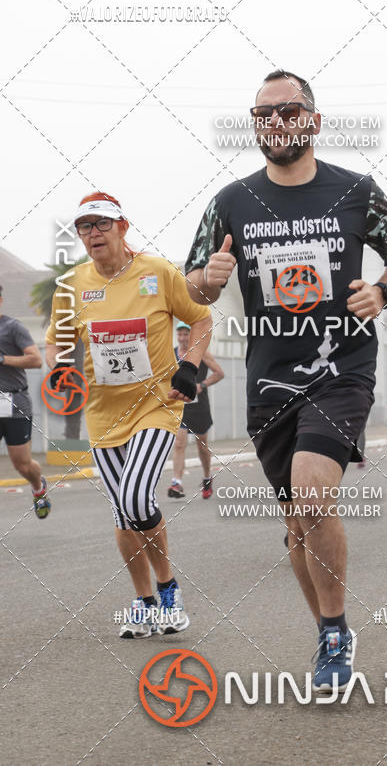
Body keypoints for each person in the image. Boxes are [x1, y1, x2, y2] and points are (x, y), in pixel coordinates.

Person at [184, 69, 387, 691]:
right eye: (262, 115)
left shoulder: (355, 191)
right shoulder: (231, 201)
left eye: (287, 111)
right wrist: (208, 279)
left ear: (312, 120)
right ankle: (328, 635)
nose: (274, 123)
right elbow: (192, 283)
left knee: (314, 496)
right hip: (270, 377)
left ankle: (337, 629)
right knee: (296, 522)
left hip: (342, 365)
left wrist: (382, 289)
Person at [45, 192, 212, 638]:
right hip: (103, 416)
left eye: (102, 224)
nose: (93, 233)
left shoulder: (157, 272)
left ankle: (169, 590)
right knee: (123, 513)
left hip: (157, 405)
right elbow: (55, 343)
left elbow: (201, 319)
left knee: (136, 498)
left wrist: (189, 368)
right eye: (85, 226)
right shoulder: (72, 285)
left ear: (122, 227)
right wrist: (59, 366)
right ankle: (143, 602)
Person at [0, 285, 49, 517]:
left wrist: (3, 359)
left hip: (15, 402)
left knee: (22, 464)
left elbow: (36, 360)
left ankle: (38, 487)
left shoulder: (13, 327)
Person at [169, 321, 224, 500]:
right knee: (179, 442)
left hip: (199, 407)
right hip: (180, 406)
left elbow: (219, 373)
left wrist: (202, 384)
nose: (183, 338)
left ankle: (207, 477)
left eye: (186, 334)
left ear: (191, 335)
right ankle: (177, 482)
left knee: (202, 446)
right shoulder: (172, 353)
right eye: (180, 335)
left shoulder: (201, 353)